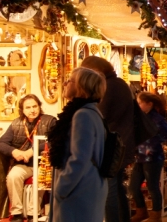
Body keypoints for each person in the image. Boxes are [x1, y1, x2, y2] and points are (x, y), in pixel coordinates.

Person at [47, 67, 107, 222]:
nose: (66, 83)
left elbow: (80, 157)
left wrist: (62, 188)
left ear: (81, 87)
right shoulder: (91, 112)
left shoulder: (83, 115)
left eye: (71, 81)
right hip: (85, 186)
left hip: (80, 190)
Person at [81, 56, 135, 222]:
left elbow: (100, 116)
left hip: (112, 146)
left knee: (109, 189)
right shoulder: (119, 84)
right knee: (117, 188)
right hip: (121, 143)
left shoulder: (110, 87)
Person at [0, 94, 57, 222]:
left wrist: (32, 151)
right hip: (25, 164)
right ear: (22, 110)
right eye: (28, 107)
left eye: (35, 106)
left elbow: (55, 140)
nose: (32, 110)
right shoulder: (16, 123)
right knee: (13, 176)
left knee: (40, 178)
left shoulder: (50, 121)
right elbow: (0, 144)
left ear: (39, 107)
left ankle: (32, 213)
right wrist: (14, 151)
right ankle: (16, 213)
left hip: (44, 163)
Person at [129, 92, 167, 222]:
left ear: (149, 104)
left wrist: (151, 145)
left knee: (152, 186)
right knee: (133, 186)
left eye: (140, 103)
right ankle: (141, 211)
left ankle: (156, 215)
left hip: (153, 158)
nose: (138, 106)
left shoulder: (156, 118)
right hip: (139, 157)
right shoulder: (140, 117)